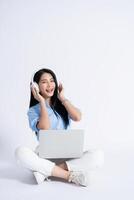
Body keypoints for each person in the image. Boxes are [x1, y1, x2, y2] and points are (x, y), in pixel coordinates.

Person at [15, 68, 104, 187]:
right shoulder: (33, 111)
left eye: (52, 81)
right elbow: (45, 128)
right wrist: (41, 102)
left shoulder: (62, 106)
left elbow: (77, 117)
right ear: (36, 87)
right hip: (44, 156)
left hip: (68, 157)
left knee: (98, 156)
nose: (50, 85)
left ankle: (46, 172)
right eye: (44, 82)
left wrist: (62, 98)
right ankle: (69, 176)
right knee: (20, 152)